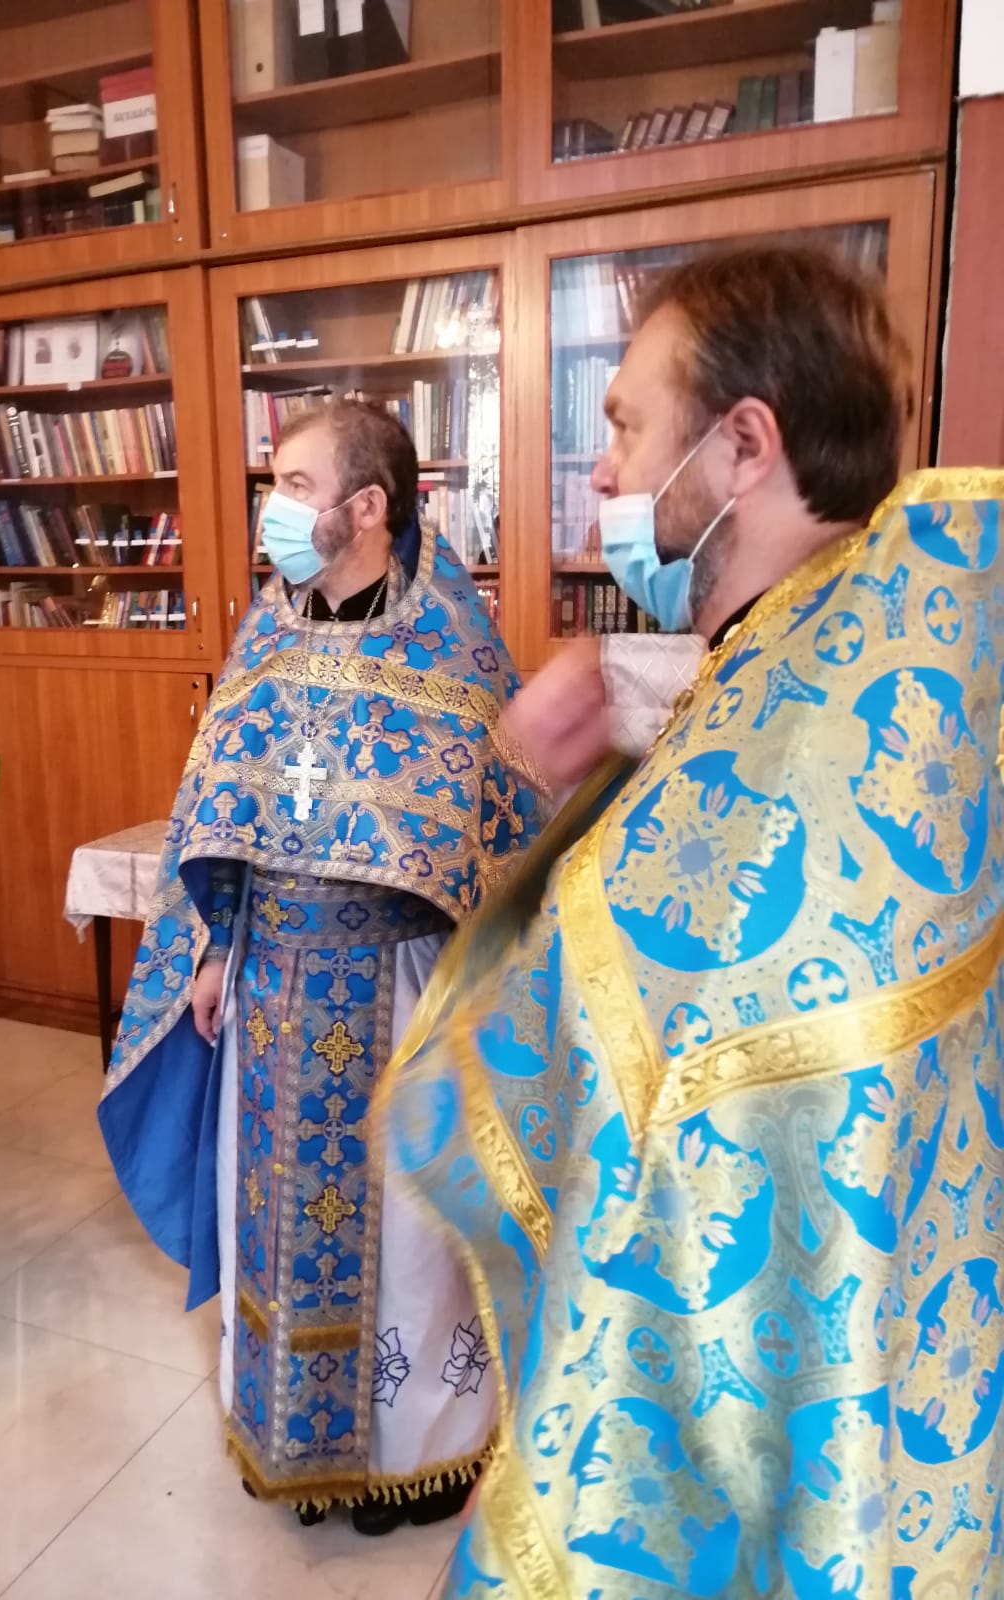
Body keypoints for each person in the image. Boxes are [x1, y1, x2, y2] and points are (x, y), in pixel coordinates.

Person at [380, 245, 1004, 1597]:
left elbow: (635, 1071)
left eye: (624, 425)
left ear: (743, 445)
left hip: (717, 1421)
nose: (602, 474)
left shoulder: (793, 747)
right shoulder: (883, 669)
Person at [99, 398, 547, 1533]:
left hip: (402, 985)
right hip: (271, 989)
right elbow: (221, 808)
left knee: (407, 1238)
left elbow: (504, 830)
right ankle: (296, 1441)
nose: (275, 509)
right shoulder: (268, 630)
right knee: (278, 1224)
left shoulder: (453, 642)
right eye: (277, 484)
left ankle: (416, 1455)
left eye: (296, 486)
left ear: (369, 507)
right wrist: (213, 944)